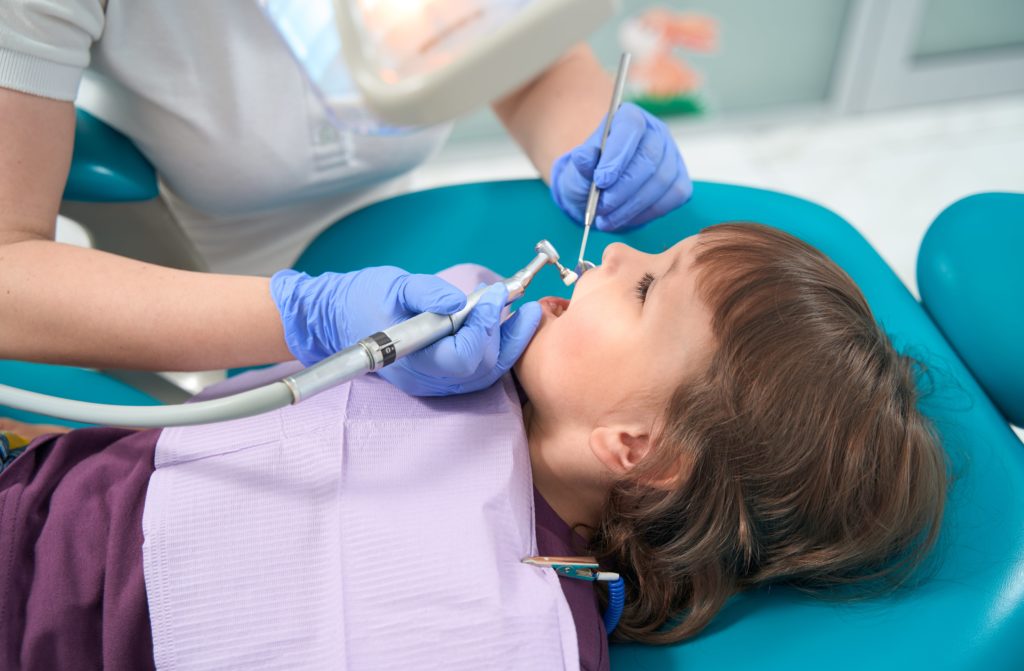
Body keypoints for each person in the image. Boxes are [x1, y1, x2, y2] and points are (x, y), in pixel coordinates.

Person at [0, 223, 948, 671]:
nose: (613, 251)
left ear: (639, 448)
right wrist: (319, 313)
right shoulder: (444, 345)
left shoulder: (520, 640)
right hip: (38, 488)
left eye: (649, 289)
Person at [0, 1, 692, 397]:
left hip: (397, 246)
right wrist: (311, 316)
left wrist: (584, 135)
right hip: (209, 292)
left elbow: (518, 58)